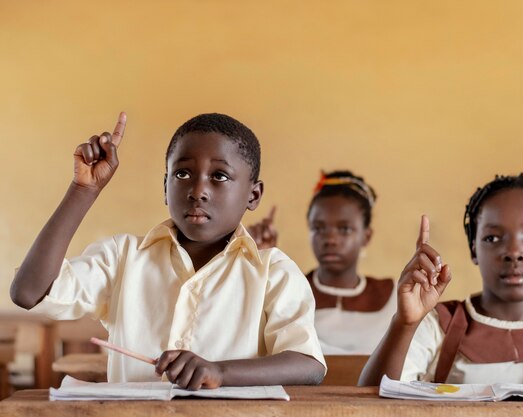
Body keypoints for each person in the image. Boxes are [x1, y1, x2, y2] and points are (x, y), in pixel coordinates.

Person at [10, 112, 326, 389]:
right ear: (165, 187)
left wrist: (219, 372)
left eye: (219, 176)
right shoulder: (123, 258)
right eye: (182, 174)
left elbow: (308, 365)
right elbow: (28, 292)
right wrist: (83, 189)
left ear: (253, 195)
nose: (198, 191)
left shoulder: (272, 272)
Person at [359, 174, 523, 386]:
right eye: (493, 238)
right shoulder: (437, 323)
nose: (514, 252)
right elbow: (372, 404)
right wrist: (405, 323)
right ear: (474, 250)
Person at [250, 171, 396, 354]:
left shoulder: (395, 298)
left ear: (366, 236)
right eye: (318, 228)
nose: (330, 239)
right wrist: (259, 265)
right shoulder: (287, 292)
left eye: (344, 229)